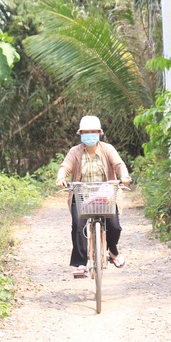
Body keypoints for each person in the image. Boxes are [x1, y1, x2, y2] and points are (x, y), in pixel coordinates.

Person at [56, 115, 132, 278]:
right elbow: (65, 166)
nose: (90, 134)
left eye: (93, 131)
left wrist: (124, 176)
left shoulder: (107, 149)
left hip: (105, 194)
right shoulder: (75, 152)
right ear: (80, 134)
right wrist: (61, 178)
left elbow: (119, 164)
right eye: (86, 132)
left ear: (99, 133)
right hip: (82, 194)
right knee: (78, 225)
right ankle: (81, 263)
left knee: (115, 226)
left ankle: (112, 251)